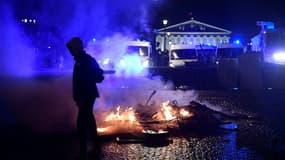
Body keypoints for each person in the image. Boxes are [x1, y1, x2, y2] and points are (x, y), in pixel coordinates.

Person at [66, 37, 104, 160]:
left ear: (76, 48)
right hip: (86, 95)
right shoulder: (81, 60)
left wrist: (80, 96)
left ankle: (83, 151)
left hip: (86, 96)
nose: (70, 52)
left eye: (71, 49)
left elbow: (97, 76)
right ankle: (95, 146)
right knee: (89, 120)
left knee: (81, 123)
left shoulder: (85, 60)